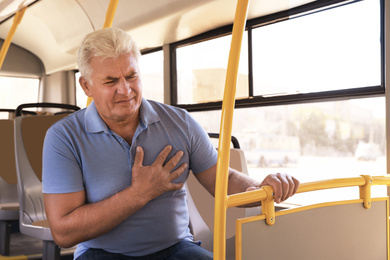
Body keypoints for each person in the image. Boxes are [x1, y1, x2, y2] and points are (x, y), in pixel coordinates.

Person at [42, 27, 299, 260]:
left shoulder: (180, 123)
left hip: (176, 249)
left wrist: (262, 186)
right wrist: (137, 195)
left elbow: (224, 181)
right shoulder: (63, 138)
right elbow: (64, 233)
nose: (126, 89)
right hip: (102, 253)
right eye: (111, 81)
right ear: (86, 85)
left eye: (131, 76)